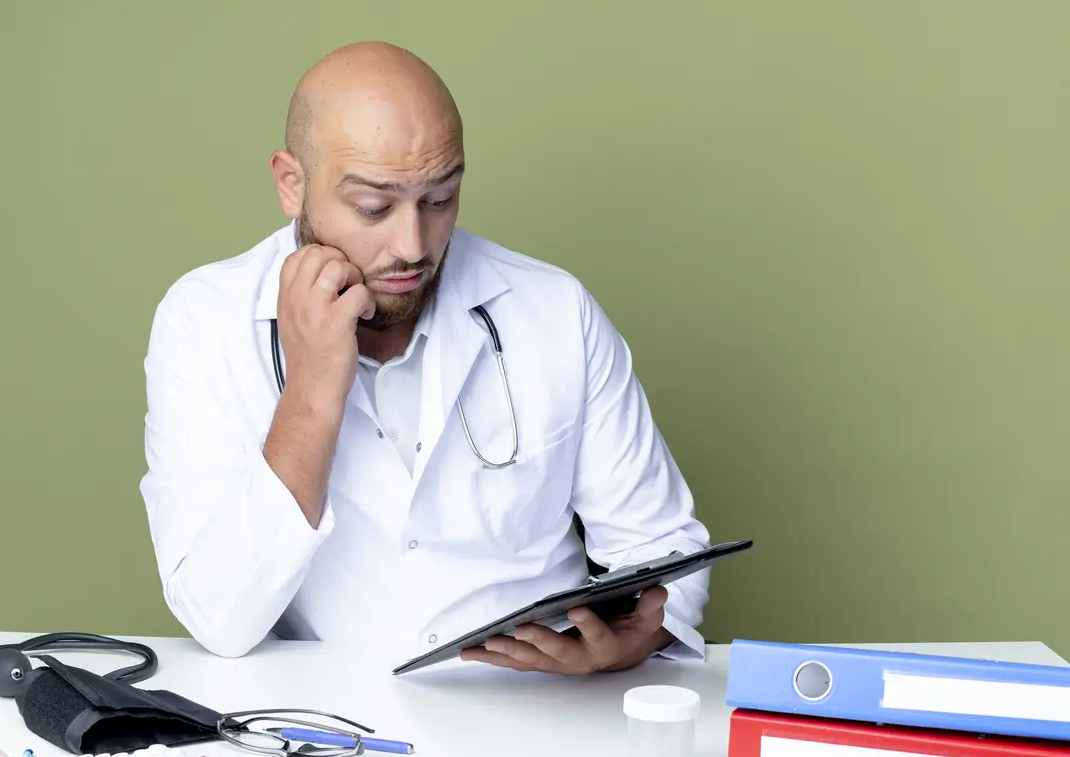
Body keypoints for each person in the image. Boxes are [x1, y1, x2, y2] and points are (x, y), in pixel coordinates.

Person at [138, 41, 712, 675]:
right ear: (292, 184)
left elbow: (661, 548)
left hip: (537, 710)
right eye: (373, 207)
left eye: (439, 199)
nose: (412, 245)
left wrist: (639, 640)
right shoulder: (203, 320)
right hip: (336, 716)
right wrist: (311, 390)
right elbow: (219, 618)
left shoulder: (554, 308)